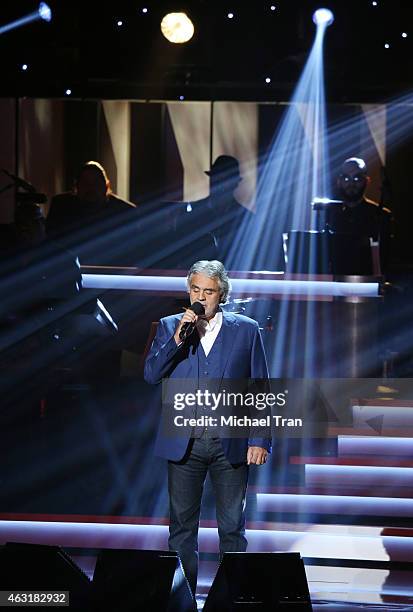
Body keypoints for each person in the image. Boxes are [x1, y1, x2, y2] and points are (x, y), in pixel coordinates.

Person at [144, 260, 271, 596]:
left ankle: (233, 596)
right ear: (189, 291)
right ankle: (182, 598)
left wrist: (260, 439)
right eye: (195, 290)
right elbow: (151, 374)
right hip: (183, 443)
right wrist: (176, 338)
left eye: (209, 291)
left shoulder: (245, 328)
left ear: (221, 294)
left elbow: (259, 387)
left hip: (230, 441)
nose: (201, 297)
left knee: (232, 527)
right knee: (181, 528)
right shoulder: (172, 325)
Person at [46, 161, 136, 264]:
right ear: (77, 187)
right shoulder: (61, 207)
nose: (91, 188)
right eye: (85, 183)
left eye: (96, 183)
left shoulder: (124, 212)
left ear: (106, 187)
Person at [327, 157, 392, 273]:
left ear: (367, 181)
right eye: (346, 178)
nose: (351, 183)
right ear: (339, 181)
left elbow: (387, 260)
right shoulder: (327, 214)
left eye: (357, 178)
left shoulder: (381, 216)